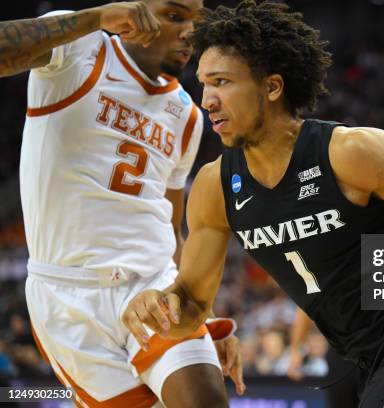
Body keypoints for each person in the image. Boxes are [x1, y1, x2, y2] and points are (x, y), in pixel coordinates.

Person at [122, 1, 384, 406]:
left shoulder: (349, 152)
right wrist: (160, 305)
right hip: (354, 357)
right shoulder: (215, 185)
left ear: (272, 87)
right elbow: (193, 305)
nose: (207, 99)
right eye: (203, 84)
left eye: (222, 82)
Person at [1, 1, 244, 406]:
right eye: (175, 15)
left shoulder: (186, 114)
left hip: (153, 282)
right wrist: (96, 18)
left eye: (196, 23)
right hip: (68, 294)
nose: (190, 33)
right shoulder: (79, 48)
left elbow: (170, 226)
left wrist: (203, 309)